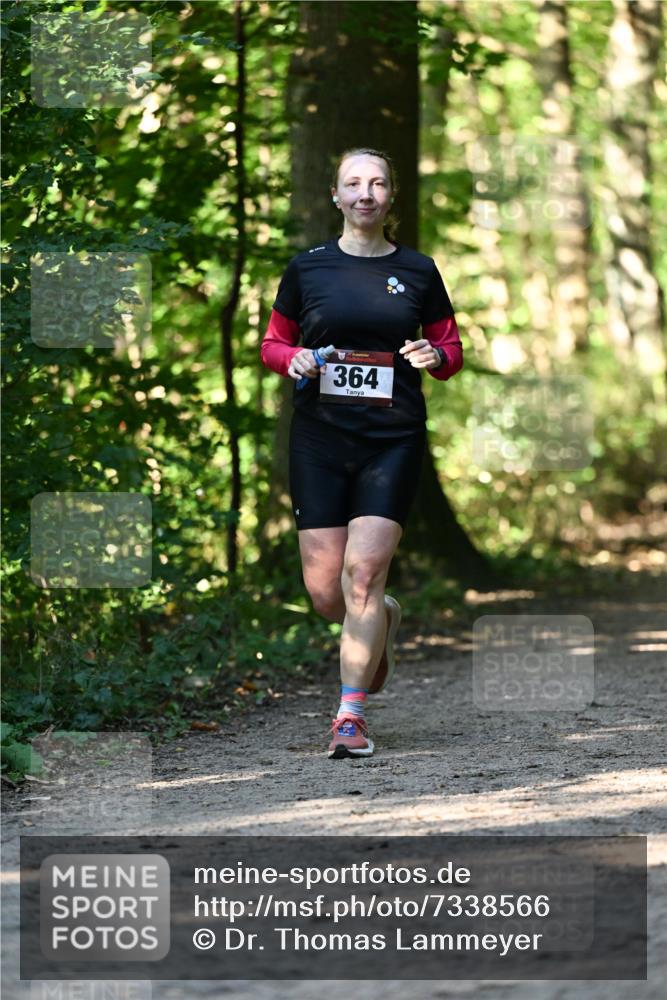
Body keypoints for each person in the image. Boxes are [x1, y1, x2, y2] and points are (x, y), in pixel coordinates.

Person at [260, 147, 463, 759]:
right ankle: (385, 618)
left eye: (377, 182)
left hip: (392, 436)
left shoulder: (419, 270)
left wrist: (436, 358)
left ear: (391, 194)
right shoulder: (307, 268)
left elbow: (449, 347)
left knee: (363, 576)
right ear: (337, 195)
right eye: (354, 183)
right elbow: (275, 342)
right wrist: (289, 359)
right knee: (328, 594)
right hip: (319, 438)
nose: (366, 193)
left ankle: (349, 717)